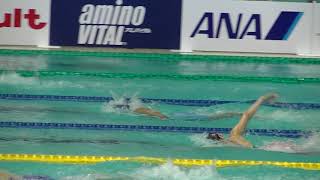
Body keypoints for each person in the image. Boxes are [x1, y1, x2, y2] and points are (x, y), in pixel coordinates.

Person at [205, 93, 305, 153]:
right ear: (221, 135)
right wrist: (262, 99)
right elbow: (246, 115)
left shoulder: (228, 147)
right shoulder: (234, 135)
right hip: (274, 147)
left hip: (268, 149)